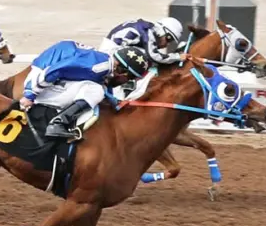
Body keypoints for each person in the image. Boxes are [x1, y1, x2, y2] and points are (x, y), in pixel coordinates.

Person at [20, 40, 151, 139]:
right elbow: (56, 69)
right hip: (40, 77)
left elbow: (105, 86)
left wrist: (115, 102)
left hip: (49, 73)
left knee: (97, 89)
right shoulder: (98, 66)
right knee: (96, 91)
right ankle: (58, 123)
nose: (128, 82)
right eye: (131, 78)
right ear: (123, 72)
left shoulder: (105, 64)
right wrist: (29, 95)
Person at [99, 17, 187, 65]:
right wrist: (177, 57)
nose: (166, 44)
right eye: (168, 39)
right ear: (162, 31)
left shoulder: (147, 29)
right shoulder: (148, 33)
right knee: (145, 57)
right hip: (110, 53)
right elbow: (154, 56)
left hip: (112, 48)